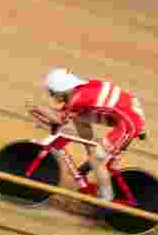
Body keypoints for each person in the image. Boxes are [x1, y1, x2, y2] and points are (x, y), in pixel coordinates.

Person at [29, 68, 146, 202]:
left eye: (52, 92)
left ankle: (105, 198)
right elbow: (66, 113)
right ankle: (91, 155)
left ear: (61, 90)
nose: (52, 96)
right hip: (129, 112)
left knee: (97, 160)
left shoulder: (77, 99)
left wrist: (38, 108)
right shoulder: (83, 89)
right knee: (79, 117)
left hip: (129, 123)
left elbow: (59, 119)